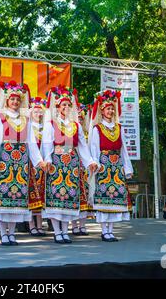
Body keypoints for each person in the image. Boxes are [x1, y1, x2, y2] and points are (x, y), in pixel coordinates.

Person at [0, 81, 46, 246]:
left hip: (21, 162)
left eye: (17, 100)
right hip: (5, 160)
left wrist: (39, 161)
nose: (15, 102)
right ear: (7, 101)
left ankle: (12, 233)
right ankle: (3, 233)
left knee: (18, 200)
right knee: (4, 197)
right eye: (12, 100)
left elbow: (30, 142)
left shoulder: (25, 119)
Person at [42, 86, 97, 244]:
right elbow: (47, 144)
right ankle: (57, 232)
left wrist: (90, 161)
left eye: (68, 105)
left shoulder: (76, 125)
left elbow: (82, 146)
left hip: (72, 163)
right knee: (56, 196)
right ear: (57, 107)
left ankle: (65, 231)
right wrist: (48, 159)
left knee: (69, 197)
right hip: (57, 162)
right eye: (63, 105)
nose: (66, 107)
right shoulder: (51, 124)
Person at [88, 89, 133, 242]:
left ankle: (111, 231)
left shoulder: (119, 128)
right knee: (104, 197)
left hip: (117, 165)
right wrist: (95, 163)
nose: (111, 110)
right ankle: (103, 230)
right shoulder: (97, 128)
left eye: (112, 108)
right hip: (104, 165)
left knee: (115, 198)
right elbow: (94, 148)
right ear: (102, 110)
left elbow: (124, 149)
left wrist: (127, 168)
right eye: (108, 108)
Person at [28, 97, 47, 237]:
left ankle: (40, 224)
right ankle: (31, 224)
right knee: (31, 194)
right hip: (30, 163)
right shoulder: (28, 126)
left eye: (41, 112)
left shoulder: (46, 128)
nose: (38, 114)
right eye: (36, 112)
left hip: (43, 163)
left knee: (41, 194)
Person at [72, 103, 91, 236]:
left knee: (84, 194)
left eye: (81, 117)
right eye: (77, 116)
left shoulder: (88, 132)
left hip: (84, 166)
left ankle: (83, 225)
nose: (79, 119)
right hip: (73, 164)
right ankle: (73, 225)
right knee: (73, 193)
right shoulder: (71, 129)